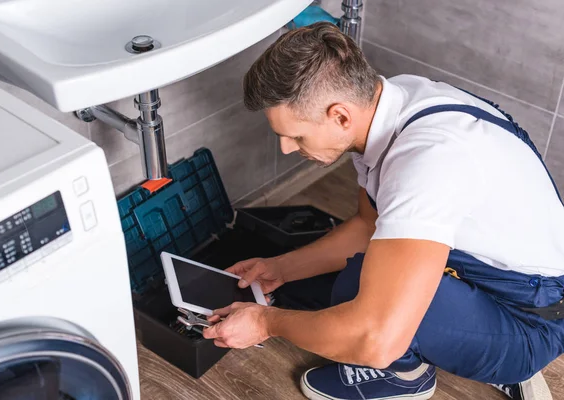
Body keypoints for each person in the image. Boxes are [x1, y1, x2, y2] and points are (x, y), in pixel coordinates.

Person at [203, 21, 564, 400]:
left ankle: (407, 377)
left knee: (359, 297)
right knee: (333, 282)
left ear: (340, 116)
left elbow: (376, 341)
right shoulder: (388, 101)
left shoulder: (428, 159)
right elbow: (367, 225)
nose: (287, 149)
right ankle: (461, 336)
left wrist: (265, 323)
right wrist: (279, 268)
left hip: (531, 319)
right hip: (501, 275)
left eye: (295, 135)